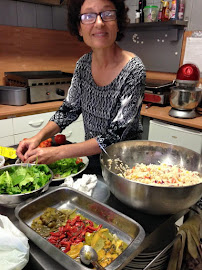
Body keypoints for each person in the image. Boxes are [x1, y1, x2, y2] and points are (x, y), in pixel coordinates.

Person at [16, 0, 146, 172]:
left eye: (107, 14)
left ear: (118, 23)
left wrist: (57, 152)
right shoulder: (83, 65)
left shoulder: (134, 70)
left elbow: (113, 137)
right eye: (88, 16)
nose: (99, 23)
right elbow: (69, 110)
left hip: (125, 167)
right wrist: (38, 138)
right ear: (79, 27)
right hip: (92, 160)